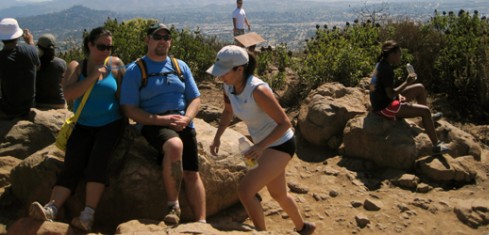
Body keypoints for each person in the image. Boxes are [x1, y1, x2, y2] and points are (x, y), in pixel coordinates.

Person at [207, 45, 316, 235]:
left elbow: (285, 123)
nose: (220, 77)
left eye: (224, 72)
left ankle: (261, 232)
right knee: (278, 194)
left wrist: (259, 147)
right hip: (263, 145)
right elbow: (228, 111)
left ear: (239, 69)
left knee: (245, 192)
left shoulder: (257, 90)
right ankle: (303, 228)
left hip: (280, 144)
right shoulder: (228, 85)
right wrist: (217, 137)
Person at [29, 27, 126, 232]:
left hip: (111, 124)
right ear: (89, 45)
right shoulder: (77, 66)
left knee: (97, 164)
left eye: (110, 47)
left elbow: (124, 95)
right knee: (72, 165)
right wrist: (92, 76)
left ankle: (88, 215)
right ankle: (51, 208)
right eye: (102, 46)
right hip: (83, 124)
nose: (106, 51)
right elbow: (69, 95)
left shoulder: (116, 65)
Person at [120, 22, 206, 225]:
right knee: (175, 146)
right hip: (154, 124)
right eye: (157, 36)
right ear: (147, 40)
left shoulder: (180, 66)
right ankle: (173, 206)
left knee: (192, 173)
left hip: (183, 123)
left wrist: (187, 118)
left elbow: (195, 99)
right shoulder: (136, 69)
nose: (162, 41)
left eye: (166, 37)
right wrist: (160, 120)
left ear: (170, 41)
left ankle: (202, 222)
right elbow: (129, 109)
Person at [369, 40, 451, 155]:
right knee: (425, 111)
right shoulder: (387, 70)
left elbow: (382, 89)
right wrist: (406, 82)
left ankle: (428, 120)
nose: (400, 57)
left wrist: (398, 96)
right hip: (384, 108)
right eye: (399, 54)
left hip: (383, 101)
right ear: (392, 54)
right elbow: (390, 94)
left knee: (419, 88)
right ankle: (436, 145)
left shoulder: (380, 64)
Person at [0, 18, 40, 119]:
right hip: (30, 106)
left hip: (9, 108)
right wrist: (30, 42)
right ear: (18, 36)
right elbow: (37, 65)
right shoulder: (30, 50)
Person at [34, 34, 67, 109]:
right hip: (58, 103)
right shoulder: (61, 63)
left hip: (38, 103)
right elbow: (64, 84)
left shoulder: (35, 63)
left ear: (39, 48)